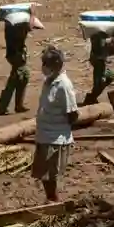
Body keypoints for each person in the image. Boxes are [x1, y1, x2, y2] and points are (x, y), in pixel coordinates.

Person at [33, 46, 78, 202]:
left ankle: (54, 202)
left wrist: (61, 127)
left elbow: (72, 113)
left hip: (55, 137)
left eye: (45, 64)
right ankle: (51, 200)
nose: (43, 67)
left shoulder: (64, 85)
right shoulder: (49, 81)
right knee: (44, 175)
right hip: (44, 134)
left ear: (55, 65)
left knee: (50, 176)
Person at [0, 17, 34, 115]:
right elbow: (29, 28)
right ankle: (4, 107)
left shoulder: (11, 24)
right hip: (16, 55)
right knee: (17, 78)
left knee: (22, 76)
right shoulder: (15, 25)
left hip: (15, 55)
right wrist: (32, 16)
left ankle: (16, 105)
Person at [82, 31, 114, 106]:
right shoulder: (99, 36)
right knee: (105, 79)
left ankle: (92, 97)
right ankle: (91, 98)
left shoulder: (96, 34)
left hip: (98, 60)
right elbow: (101, 46)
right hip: (98, 61)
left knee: (103, 80)